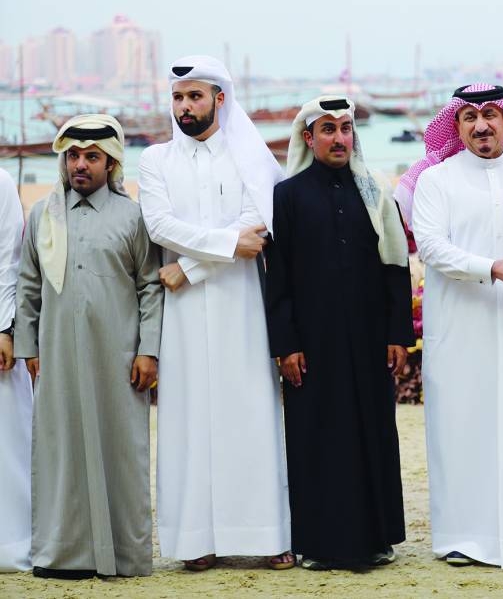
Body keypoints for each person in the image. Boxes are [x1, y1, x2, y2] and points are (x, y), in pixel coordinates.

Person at [397, 83, 503, 569]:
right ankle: (463, 537)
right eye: (469, 118)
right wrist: (491, 267)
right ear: (455, 126)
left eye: (490, 114)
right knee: (462, 428)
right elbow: (429, 246)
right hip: (461, 330)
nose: (481, 125)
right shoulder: (438, 179)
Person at [138, 55, 292, 571]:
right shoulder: (155, 161)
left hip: (240, 307)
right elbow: (160, 226)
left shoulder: (248, 157)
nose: (185, 106)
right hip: (182, 318)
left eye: (195, 96)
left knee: (250, 415)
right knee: (187, 421)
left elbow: (258, 229)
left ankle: (268, 536)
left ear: (219, 100)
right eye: (179, 98)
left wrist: (190, 269)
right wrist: (216, 251)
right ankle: (195, 542)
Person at [265, 96, 413, 570]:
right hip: (314, 344)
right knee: (316, 436)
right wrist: (286, 345)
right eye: (327, 129)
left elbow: (395, 267)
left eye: (346, 128)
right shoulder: (287, 196)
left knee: (373, 432)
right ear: (308, 139)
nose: (339, 138)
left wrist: (398, 335)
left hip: (369, 339)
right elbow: (279, 278)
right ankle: (319, 543)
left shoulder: (374, 191)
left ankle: (377, 537)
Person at [15, 115, 163, 578]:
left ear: (111, 163)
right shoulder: (44, 214)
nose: (81, 165)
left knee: (122, 452)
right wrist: (29, 348)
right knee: (59, 451)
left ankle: (122, 556)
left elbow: (150, 288)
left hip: (117, 357)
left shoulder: (133, 216)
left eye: (92, 157)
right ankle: (62, 554)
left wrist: (148, 350)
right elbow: (28, 285)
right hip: (56, 355)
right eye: (73, 156)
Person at [0, 167, 31, 573]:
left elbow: (10, 261)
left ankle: (13, 541)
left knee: (9, 442)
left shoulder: (1, 182)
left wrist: (5, 328)